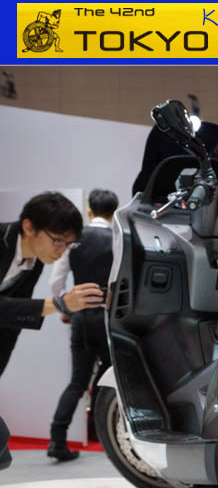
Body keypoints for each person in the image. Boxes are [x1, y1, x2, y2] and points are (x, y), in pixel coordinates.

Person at [1, 192, 103, 380]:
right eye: (58, 241)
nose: (62, 250)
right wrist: (59, 304)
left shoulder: (36, 259)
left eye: (68, 244)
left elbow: (12, 320)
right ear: (29, 227)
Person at [48, 189, 119, 461]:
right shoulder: (118, 238)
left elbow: (56, 282)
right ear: (114, 212)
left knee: (77, 382)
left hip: (81, 317)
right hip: (107, 318)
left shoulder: (75, 240)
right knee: (112, 377)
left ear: (89, 210)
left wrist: (67, 309)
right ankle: (104, 434)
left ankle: (57, 439)